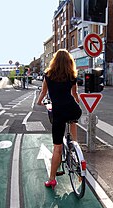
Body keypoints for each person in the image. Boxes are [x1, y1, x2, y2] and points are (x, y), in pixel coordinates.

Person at [37, 49, 82, 190]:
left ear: (54, 61)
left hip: (58, 112)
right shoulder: (72, 75)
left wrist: (39, 102)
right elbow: (75, 94)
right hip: (73, 109)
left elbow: (43, 92)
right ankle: (75, 146)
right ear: (69, 61)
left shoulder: (48, 75)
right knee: (73, 120)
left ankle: (52, 180)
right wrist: (77, 101)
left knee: (57, 148)